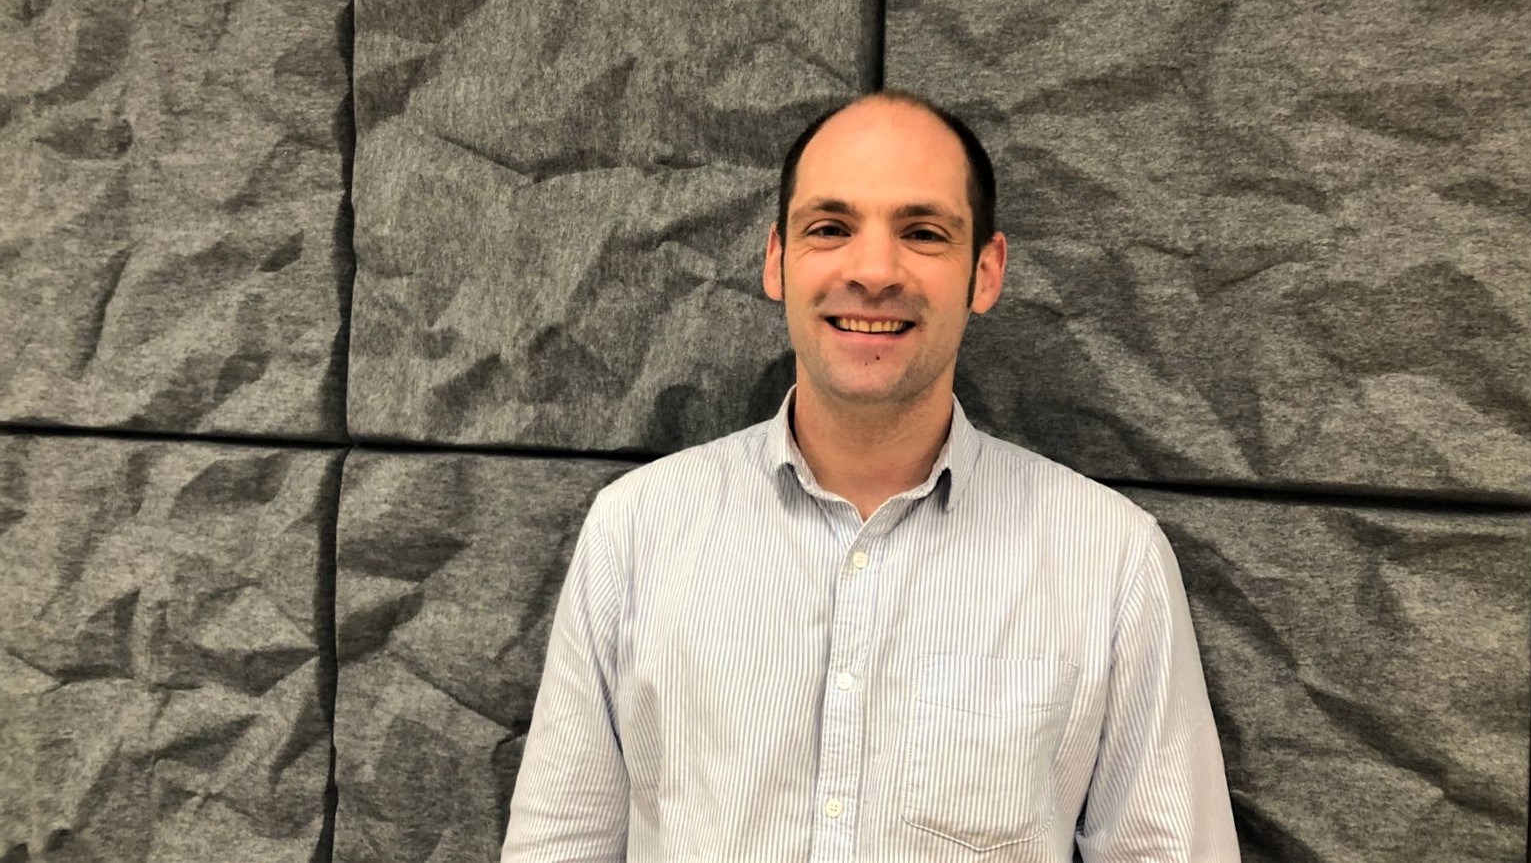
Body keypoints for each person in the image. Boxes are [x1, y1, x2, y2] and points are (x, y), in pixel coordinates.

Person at [501, 90, 1240, 861]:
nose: (874, 271)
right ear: (777, 260)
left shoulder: (1110, 560)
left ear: (985, 272)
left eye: (922, 233)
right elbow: (559, 845)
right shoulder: (635, 530)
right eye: (829, 228)